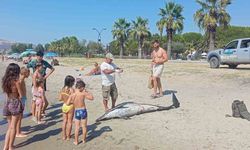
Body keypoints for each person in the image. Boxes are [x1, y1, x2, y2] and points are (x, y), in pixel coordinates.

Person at [2, 63, 23, 150]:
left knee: (9, 127)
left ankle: (5, 147)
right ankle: (11, 146)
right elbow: (21, 95)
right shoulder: (16, 82)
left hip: (7, 102)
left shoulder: (5, 80)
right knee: (13, 127)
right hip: (15, 103)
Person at [66, 80, 94, 145]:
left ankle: (76, 141)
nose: (84, 89)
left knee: (77, 127)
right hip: (83, 110)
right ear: (81, 87)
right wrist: (88, 92)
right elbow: (92, 98)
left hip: (77, 110)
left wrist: (73, 102)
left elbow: (67, 103)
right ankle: (84, 140)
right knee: (84, 126)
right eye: (83, 88)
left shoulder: (72, 95)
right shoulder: (83, 93)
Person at [27, 51, 54, 115]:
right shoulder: (33, 62)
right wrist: (33, 76)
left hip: (42, 82)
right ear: (36, 56)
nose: (40, 58)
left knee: (41, 95)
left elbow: (52, 69)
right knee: (35, 97)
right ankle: (33, 112)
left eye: (41, 57)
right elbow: (27, 68)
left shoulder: (44, 63)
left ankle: (40, 111)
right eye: (39, 56)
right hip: (35, 82)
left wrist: (46, 76)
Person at [59, 75, 75, 140]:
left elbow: (60, 99)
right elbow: (74, 99)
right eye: (73, 82)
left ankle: (64, 136)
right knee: (70, 122)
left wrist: (65, 98)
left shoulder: (62, 89)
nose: (74, 83)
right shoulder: (71, 90)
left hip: (64, 105)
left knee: (64, 121)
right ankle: (68, 136)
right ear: (71, 82)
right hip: (70, 106)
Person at [16, 67, 30, 138]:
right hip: (21, 99)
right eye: (28, 72)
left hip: (23, 99)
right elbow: (18, 92)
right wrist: (21, 99)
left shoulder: (22, 79)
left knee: (20, 116)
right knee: (19, 116)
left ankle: (19, 130)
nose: (29, 74)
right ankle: (18, 132)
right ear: (25, 73)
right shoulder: (20, 80)